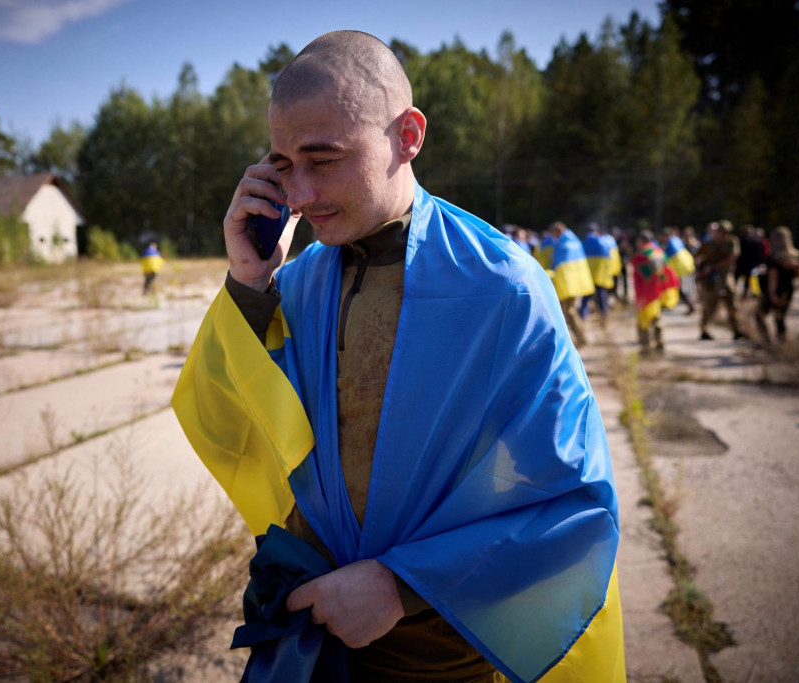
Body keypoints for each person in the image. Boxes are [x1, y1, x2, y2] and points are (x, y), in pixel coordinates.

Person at [172, 31, 622, 683]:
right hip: (313, 637)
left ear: (407, 136)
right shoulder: (291, 284)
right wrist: (247, 281)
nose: (296, 193)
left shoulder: (503, 286)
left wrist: (400, 586)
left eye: (322, 159)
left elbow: (572, 507)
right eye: (281, 163)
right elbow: (224, 420)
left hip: (447, 654)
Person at [545, 221, 595, 346]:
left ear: (556, 232)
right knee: (570, 311)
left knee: (569, 312)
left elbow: (556, 267)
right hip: (575, 283)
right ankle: (580, 337)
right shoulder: (575, 243)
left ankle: (581, 338)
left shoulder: (561, 246)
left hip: (566, 285)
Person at [695, 220, 746, 341]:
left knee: (732, 305)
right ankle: (704, 330)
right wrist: (702, 268)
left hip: (726, 277)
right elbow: (698, 257)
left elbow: (731, 259)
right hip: (710, 280)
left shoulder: (732, 243)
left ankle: (736, 330)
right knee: (709, 306)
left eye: (726, 232)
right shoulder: (709, 244)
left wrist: (712, 267)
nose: (723, 235)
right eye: (721, 232)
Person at [632, 231, 680, 356]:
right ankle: (660, 345)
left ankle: (646, 348)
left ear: (641, 241)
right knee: (657, 319)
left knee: (644, 320)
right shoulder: (659, 252)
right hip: (659, 292)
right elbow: (667, 271)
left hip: (646, 293)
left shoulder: (641, 256)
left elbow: (641, 277)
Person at [754, 226, 799, 346]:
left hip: (775, 290)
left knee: (759, 315)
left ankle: (767, 342)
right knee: (780, 318)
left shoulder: (774, 258)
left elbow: (773, 277)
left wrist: (772, 293)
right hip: (788, 290)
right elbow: (798, 275)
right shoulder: (794, 257)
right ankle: (782, 344)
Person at [580, 224, 619, 328]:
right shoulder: (604, 242)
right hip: (601, 276)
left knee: (585, 299)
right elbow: (610, 261)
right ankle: (604, 319)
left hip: (588, 277)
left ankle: (582, 321)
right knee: (602, 297)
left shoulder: (584, 243)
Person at [661, 227, 696, 315]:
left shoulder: (670, 242)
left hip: (681, 267)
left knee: (680, 288)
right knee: (682, 287)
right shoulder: (676, 239)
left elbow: (666, 257)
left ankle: (690, 306)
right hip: (687, 263)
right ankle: (689, 305)